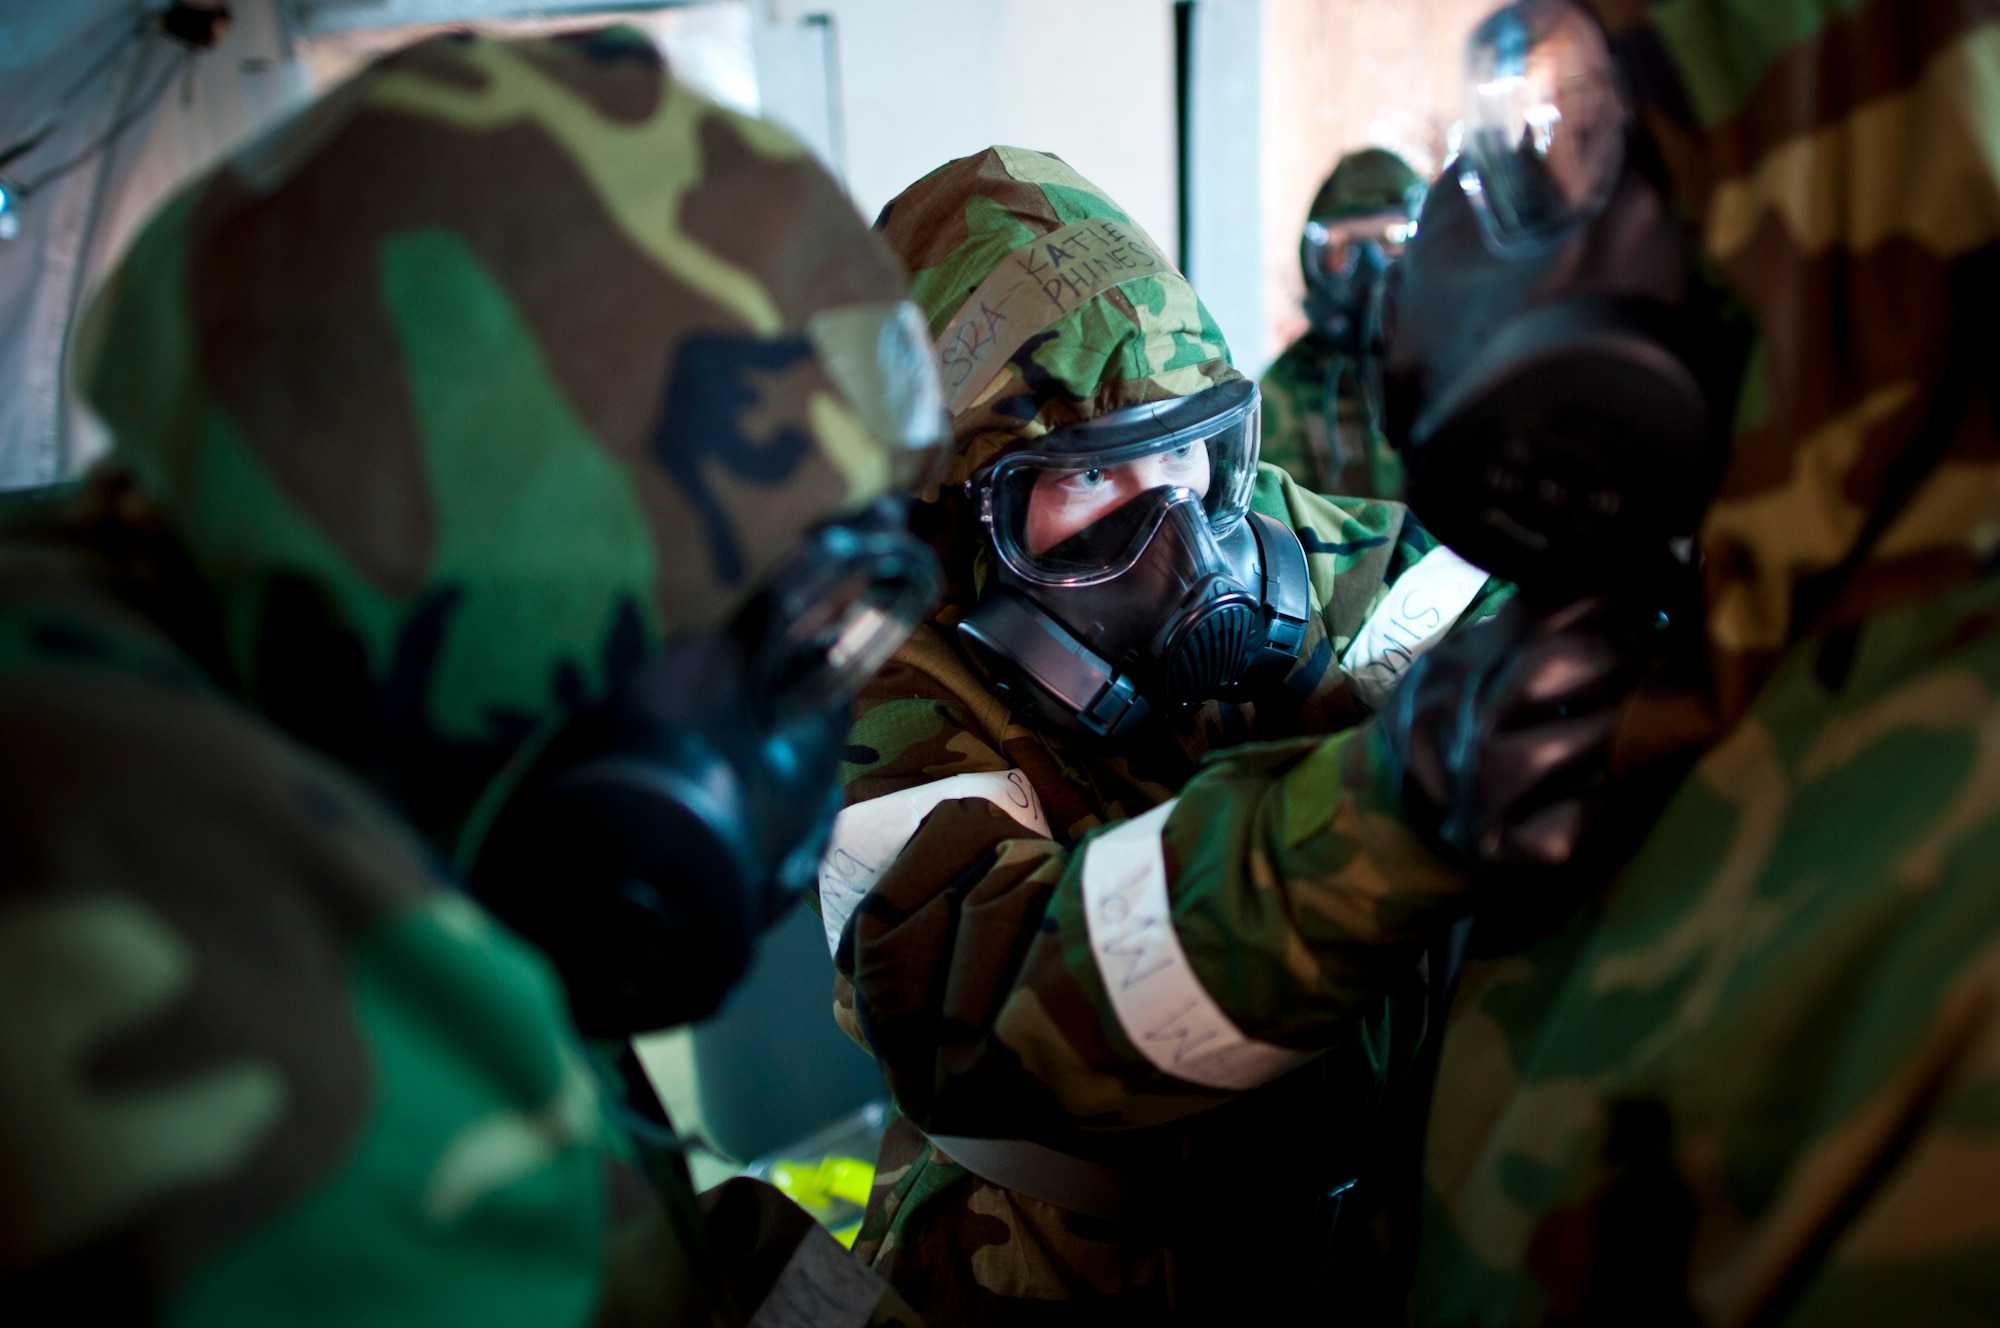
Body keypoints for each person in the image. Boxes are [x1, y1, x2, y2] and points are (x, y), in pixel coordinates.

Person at [0, 29, 948, 1326]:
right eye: (774, 618)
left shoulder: (177, 609)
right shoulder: (294, 1071)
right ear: (528, 591)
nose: (812, 719)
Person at [812, 146, 1505, 1324]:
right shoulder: (888, 684)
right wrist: (1384, 811)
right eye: (1092, 483)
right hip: (1053, 1265)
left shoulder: (1263, 523)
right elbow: (1009, 998)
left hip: (1351, 1238)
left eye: (1181, 451)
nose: (1178, 539)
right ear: (961, 517)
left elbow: (1476, 620)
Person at [1258, 147, 1423, 497]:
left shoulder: (1473, 374)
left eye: (1392, 239)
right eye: (1342, 244)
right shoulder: (1285, 392)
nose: (1369, 266)